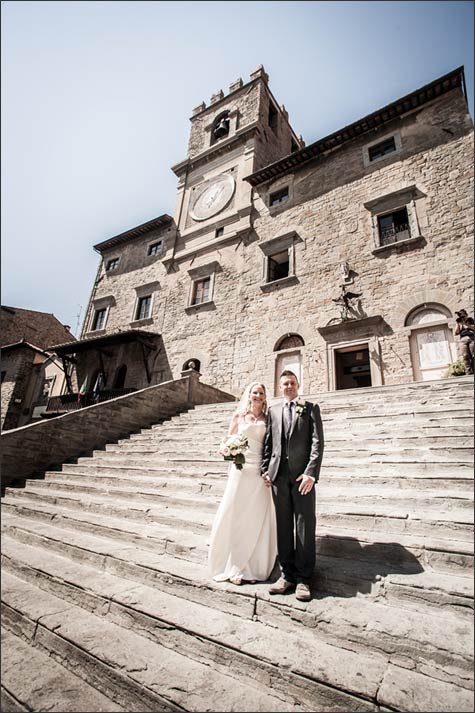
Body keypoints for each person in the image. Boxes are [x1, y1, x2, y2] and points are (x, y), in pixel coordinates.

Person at [261, 370, 324, 602]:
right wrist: (264, 470)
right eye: (284, 384)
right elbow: (268, 443)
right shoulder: (273, 411)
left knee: (305, 525)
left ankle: (304, 578)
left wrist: (311, 473)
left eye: (292, 383)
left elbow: (318, 443)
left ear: (298, 385)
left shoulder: (310, 407)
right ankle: (286, 574)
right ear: (279, 387)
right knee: (283, 526)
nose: (288, 386)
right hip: (278, 477)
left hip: (302, 478)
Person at [208, 382, 277, 586]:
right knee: (235, 513)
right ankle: (232, 564)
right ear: (249, 395)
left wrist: (269, 470)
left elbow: (271, 444)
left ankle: (251, 566)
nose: (257, 395)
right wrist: (228, 450)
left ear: (265, 397)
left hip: (259, 472)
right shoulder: (238, 417)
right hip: (240, 470)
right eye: (254, 392)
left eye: (261, 393)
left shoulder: (269, 419)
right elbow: (226, 441)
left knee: (255, 516)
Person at [454, 309, 474, 375]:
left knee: (473, 355)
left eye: (463, 315)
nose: (462, 317)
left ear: (466, 315)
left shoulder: (470, 320)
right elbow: (456, 332)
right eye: (460, 316)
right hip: (463, 339)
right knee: (465, 355)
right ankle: (468, 372)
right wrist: (458, 324)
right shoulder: (459, 321)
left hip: (471, 337)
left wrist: (465, 324)